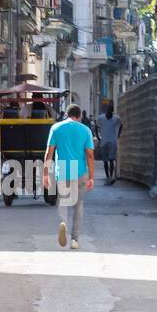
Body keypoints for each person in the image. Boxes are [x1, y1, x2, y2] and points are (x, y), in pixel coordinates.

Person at [43, 103, 96, 250]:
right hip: (80, 171)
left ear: (66, 114)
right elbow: (90, 155)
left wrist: (45, 174)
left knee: (63, 202)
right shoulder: (85, 130)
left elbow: (49, 152)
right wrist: (92, 177)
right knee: (78, 204)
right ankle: (74, 239)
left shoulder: (56, 128)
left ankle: (63, 223)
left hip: (63, 170)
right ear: (79, 116)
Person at [95, 103, 122, 185]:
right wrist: (98, 136)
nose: (109, 112)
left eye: (110, 111)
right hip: (104, 142)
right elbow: (96, 126)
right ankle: (107, 177)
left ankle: (110, 176)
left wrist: (118, 135)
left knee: (111, 159)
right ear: (106, 111)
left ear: (112, 112)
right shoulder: (101, 118)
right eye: (108, 111)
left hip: (112, 141)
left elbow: (121, 125)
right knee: (105, 161)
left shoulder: (116, 118)